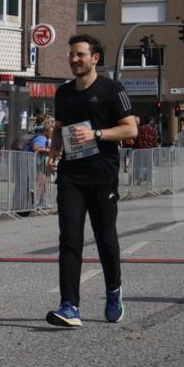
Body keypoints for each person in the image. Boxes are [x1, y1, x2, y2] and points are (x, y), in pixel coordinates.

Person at [46, 34, 137, 327]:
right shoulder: (63, 93)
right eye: (71, 54)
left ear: (94, 58)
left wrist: (97, 134)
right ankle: (70, 305)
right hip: (71, 175)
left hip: (102, 175)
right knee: (69, 239)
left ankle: (113, 290)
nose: (74, 59)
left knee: (105, 239)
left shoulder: (112, 89)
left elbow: (130, 130)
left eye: (80, 55)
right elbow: (59, 128)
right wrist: (53, 151)